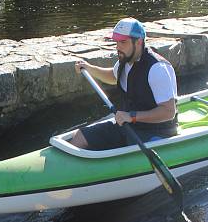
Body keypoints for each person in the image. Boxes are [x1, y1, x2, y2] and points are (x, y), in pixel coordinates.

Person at [71, 18, 178, 150]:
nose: (118, 47)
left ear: (138, 41)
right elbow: (113, 75)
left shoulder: (157, 68)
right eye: (116, 42)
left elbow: (168, 112)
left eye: (123, 42)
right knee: (79, 136)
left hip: (156, 132)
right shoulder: (126, 60)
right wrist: (89, 68)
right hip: (129, 125)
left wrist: (132, 116)